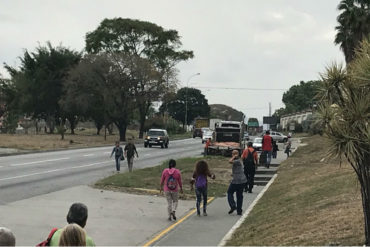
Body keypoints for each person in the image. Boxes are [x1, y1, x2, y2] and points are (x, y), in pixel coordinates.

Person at [227, 150, 247, 215]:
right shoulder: (240, 160)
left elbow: (229, 161)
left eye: (233, 154)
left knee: (229, 192)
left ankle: (233, 205)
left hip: (237, 181)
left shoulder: (237, 161)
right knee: (239, 196)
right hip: (242, 180)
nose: (232, 155)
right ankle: (239, 210)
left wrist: (234, 156)